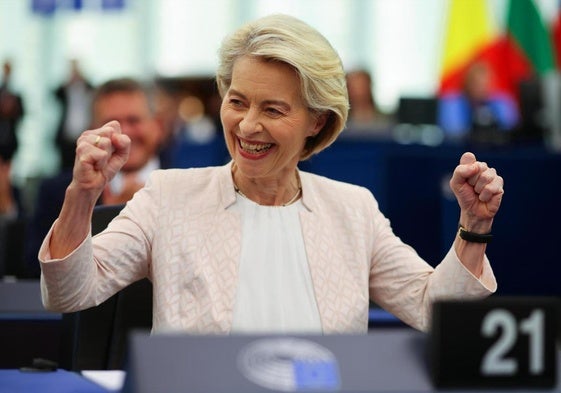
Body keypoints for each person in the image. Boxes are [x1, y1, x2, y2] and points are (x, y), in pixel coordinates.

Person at [39, 14, 502, 334]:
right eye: (237, 101)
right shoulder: (169, 196)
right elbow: (69, 293)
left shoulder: (353, 209)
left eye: (273, 109)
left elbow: (435, 311)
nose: (247, 125)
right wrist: (83, 195)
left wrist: (473, 229)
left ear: (316, 122)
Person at [26, 77, 163, 277]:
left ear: (157, 125)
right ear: (92, 129)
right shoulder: (60, 192)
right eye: (111, 124)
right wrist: (106, 215)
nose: (124, 134)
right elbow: (36, 273)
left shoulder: (188, 186)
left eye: (134, 120)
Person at [438, 61, 519, 142]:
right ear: (467, 83)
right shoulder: (452, 102)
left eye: (484, 84)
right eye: (476, 83)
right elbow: (453, 132)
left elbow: (510, 129)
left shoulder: (501, 102)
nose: (481, 88)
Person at [54, 59, 95, 170]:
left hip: (84, 132)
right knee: (65, 168)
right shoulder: (66, 88)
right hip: (66, 136)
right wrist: (69, 80)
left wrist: (82, 77)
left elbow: (95, 90)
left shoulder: (87, 87)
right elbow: (54, 94)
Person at [345, 68, 394, 134]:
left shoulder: (387, 120)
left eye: (361, 86)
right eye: (354, 87)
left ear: (369, 86)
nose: (358, 92)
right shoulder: (340, 122)